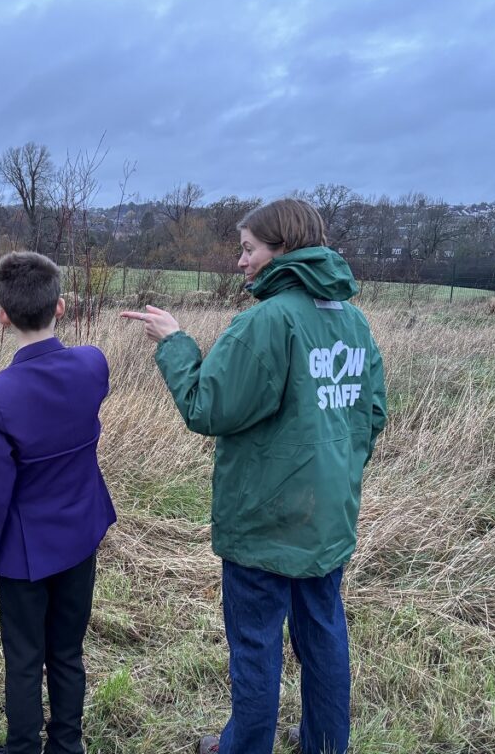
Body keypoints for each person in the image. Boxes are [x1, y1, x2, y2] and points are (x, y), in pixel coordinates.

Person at [122, 198, 387, 754]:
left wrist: (173, 342)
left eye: (248, 249)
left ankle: (244, 746)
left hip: (264, 521)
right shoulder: (353, 321)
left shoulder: (267, 322)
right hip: (327, 517)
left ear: (282, 248)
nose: (241, 261)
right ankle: (324, 742)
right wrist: (336, 472)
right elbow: (373, 414)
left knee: (256, 645)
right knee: (323, 633)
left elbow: (207, 407)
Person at [0, 251, 117, 754]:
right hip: (81, 534)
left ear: (1, 316)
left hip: (23, 552)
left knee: (25, 658)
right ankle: (67, 744)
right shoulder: (93, 364)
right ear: (61, 307)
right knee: (68, 651)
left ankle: (22, 747)